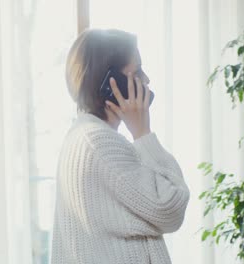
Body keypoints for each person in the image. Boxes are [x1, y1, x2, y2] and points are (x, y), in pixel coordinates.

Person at [50, 29, 190, 264]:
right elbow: (171, 207)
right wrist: (143, 133)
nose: (146, 80)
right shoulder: (99, 143)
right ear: (110, 84)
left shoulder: (83, 135)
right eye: (136, 72)